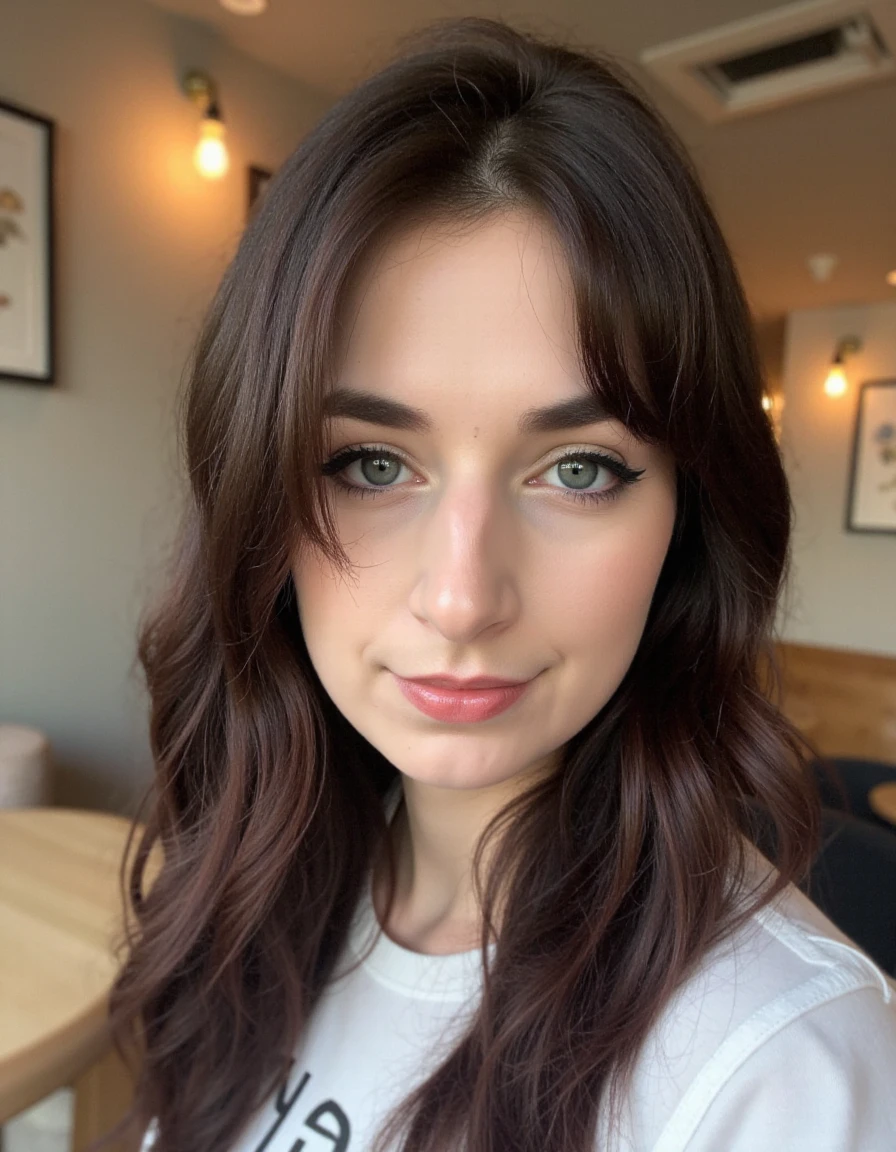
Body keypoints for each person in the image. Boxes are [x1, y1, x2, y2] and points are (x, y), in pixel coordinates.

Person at [103, 16, 896, 1152]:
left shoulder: (781, 1072)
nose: (462, 597)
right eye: (371, 464)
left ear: (688, 516)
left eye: (577, 470)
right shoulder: (262, 884)